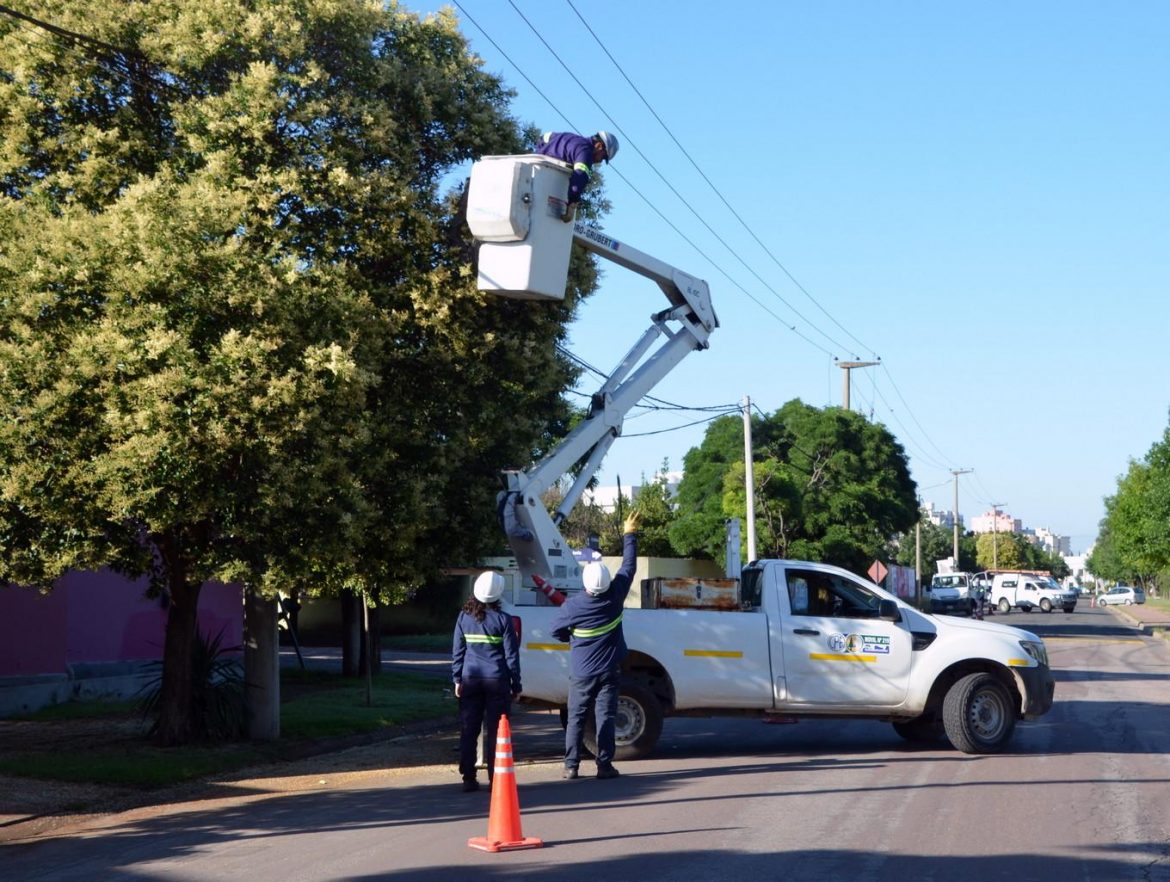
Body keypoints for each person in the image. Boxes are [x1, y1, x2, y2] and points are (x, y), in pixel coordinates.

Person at [551, 510, 640, 780]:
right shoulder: (615, 596)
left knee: (576, 717)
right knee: (606, 718)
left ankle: (571, 766)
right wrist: (630, 535)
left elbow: (555, 631)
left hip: (581, 673)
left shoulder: (574, 606)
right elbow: (628, 567)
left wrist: (574, 640)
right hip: (609, 672)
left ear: (586, 583)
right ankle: (604, 766)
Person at [452, 571, 522, 792]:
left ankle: (468, 778)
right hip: (497, 681)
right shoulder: (504, 620)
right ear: (498, 594)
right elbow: (512, 656)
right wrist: (516, 685)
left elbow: (458, 651)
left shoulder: (463, 618)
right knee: (497, 732)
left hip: (470, 679)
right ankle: (496, 778)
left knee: (468, 730)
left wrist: (456, 678)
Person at [534, 130, 619, 222]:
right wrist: (572, 203)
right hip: (546, 189)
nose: (600, 161)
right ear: (599, 146)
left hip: (534, 176)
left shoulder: (567, 137)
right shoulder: (585, 153)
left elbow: (543, 138)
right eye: (603, 157)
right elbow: (580, 176)